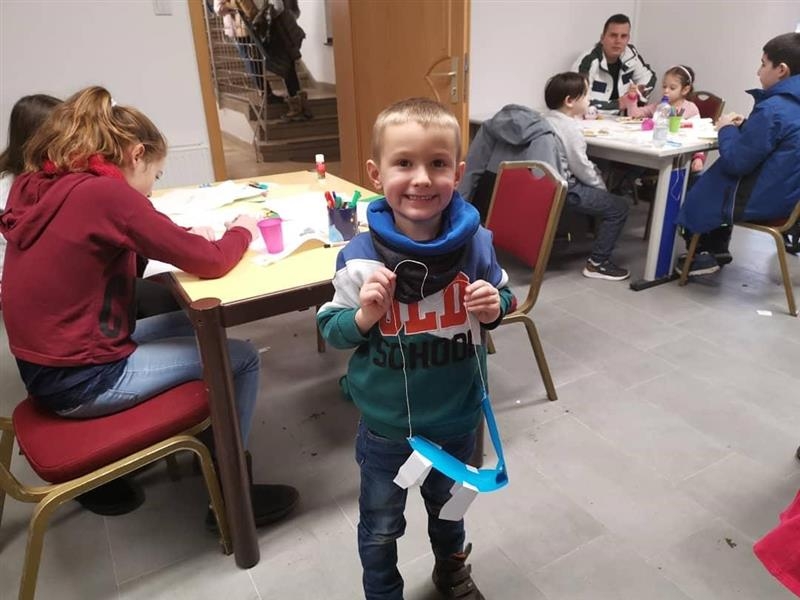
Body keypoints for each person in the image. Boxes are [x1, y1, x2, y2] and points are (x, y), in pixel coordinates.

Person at [0, 86, 299, 525]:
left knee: (196, 326)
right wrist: (242, 229)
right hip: (84, 379)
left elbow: (108, 247)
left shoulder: (40, 184)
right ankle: (233, 499)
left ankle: (215, 447)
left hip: (50, 366)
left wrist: (175, 235)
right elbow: (212, 262)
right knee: (241, 359)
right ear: (137, 155)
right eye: (156, 176)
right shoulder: (104, 194)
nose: (152, 191)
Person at [317, 98, 515, 600]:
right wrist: (364, 317)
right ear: (376, 173)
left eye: (438, 163)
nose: (422, 179)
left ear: (458, 173)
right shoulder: (360, 258)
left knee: (450, 514)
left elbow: (504, 298)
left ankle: (451, 571)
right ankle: (383, 592)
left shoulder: (478, 245)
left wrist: (494, 305)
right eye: (404, 162)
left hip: (457, 421)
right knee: (381, 526)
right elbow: (331, 329)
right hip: (388, 430)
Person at [675, 32, 800, 277]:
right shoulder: (790, 106)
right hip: (787, 199)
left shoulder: (773, 109)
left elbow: (736, 162)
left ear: (781, 70)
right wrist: (747, 127)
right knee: (714, 183)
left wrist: (726, 128)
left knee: (695, 183)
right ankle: (717, 249)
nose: (758, 71)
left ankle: (702, 252)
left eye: (763, 64)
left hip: (760, 200)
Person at [544, 72, 631, 280]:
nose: (589, 99)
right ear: (570, 101)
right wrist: (601, 188)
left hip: (544, 184)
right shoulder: (570, 128)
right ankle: (597, 263)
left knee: (601, 174)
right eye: (586, 95)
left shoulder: (545, 119)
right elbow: (581, 167)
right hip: (567, 189)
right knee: (619, 206)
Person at [457, 104, 563, 222]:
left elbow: (469, 174)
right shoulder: (543, 135)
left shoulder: (489, 127)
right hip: (522, 212)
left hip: (483, 210)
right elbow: (547, 184)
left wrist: (457, 215)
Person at [619, 64, 707, 173]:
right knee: (631, 164)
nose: (666, 91)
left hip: (677, 159)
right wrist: (632, 98)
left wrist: (698, 158)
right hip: (654, 154)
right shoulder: (658, 106)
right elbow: (634, 115)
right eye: (664, 86)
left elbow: (698, 135)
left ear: (685, 90)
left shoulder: (690, 109)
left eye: (672, 88)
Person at [573, 13, 656, 112]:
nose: (618, 41)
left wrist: (638, 91)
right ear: (602, 38)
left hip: (623, 118)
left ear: (628, 39)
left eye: (623, 36)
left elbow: (648, 77)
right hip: (594, 117)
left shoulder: (631, 54)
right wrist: (618, 104)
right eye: (613, 35)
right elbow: (577, 100)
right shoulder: (588, 61)